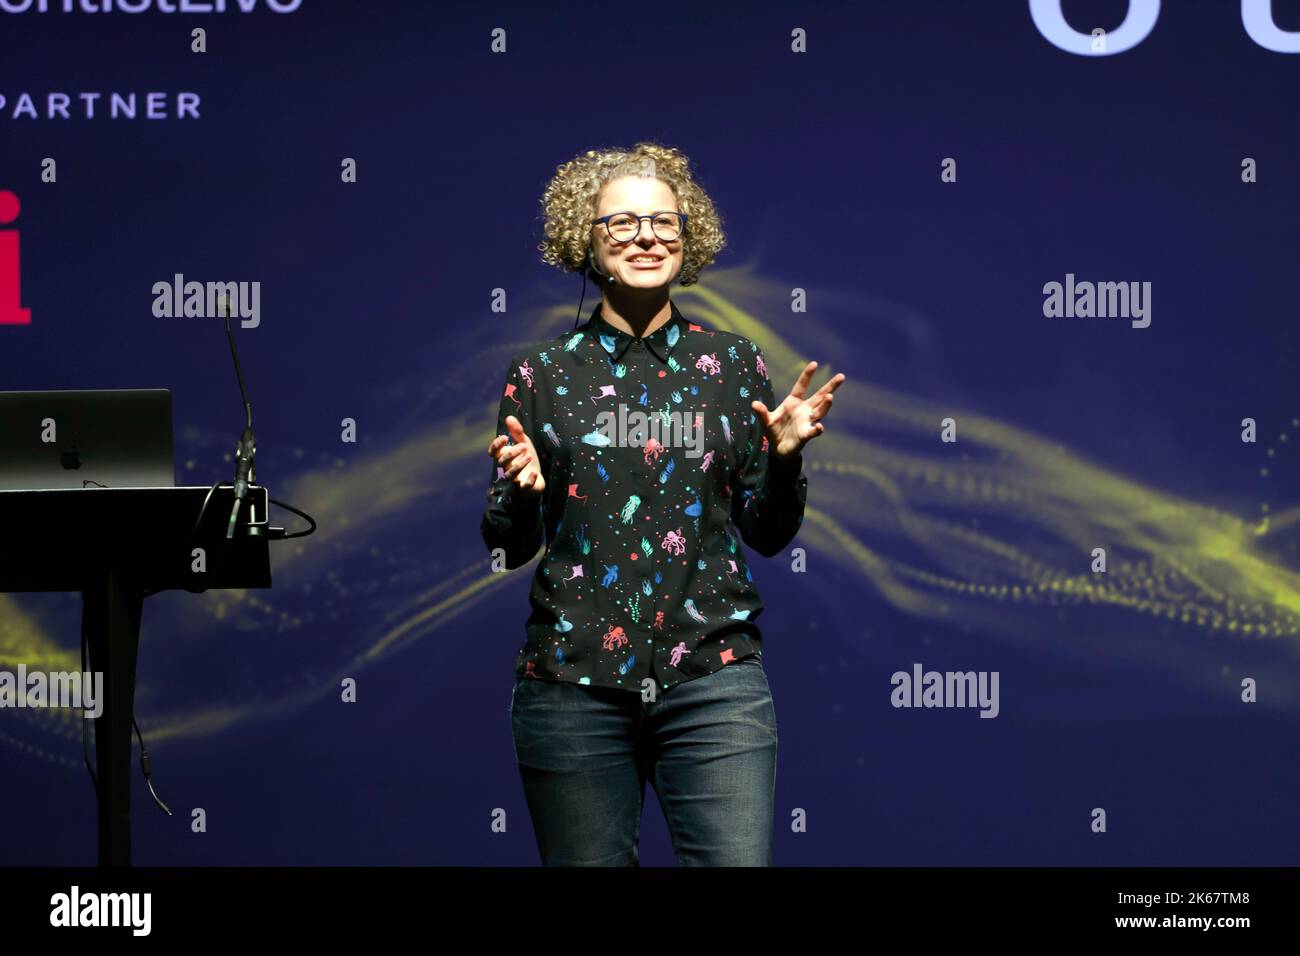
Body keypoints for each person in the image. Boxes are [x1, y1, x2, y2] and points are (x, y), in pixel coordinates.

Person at [481, 142, 845, 866]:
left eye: (663, 222)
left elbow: (767, 534)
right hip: (571, 688)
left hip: (714, 682)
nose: (646, 237)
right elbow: (507, 544)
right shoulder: (542, 373)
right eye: (621, 223)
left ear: (689, 235)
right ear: (584, 239)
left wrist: (783, 461)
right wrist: (519, 494)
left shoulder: (733, 364)